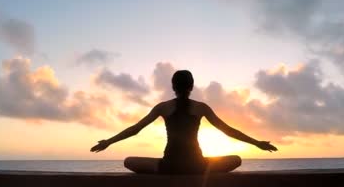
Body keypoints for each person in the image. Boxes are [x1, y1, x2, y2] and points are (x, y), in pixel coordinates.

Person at [90, 70, 277, 174]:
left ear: (173, 86)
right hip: (198, 166)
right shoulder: (201, 107)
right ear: (191, 86)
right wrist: (257, 143)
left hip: (169, 166)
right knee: (236, 159)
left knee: (128, 161)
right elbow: (228, 131)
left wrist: (108, 142)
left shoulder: (162, 107)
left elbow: (135, 129)